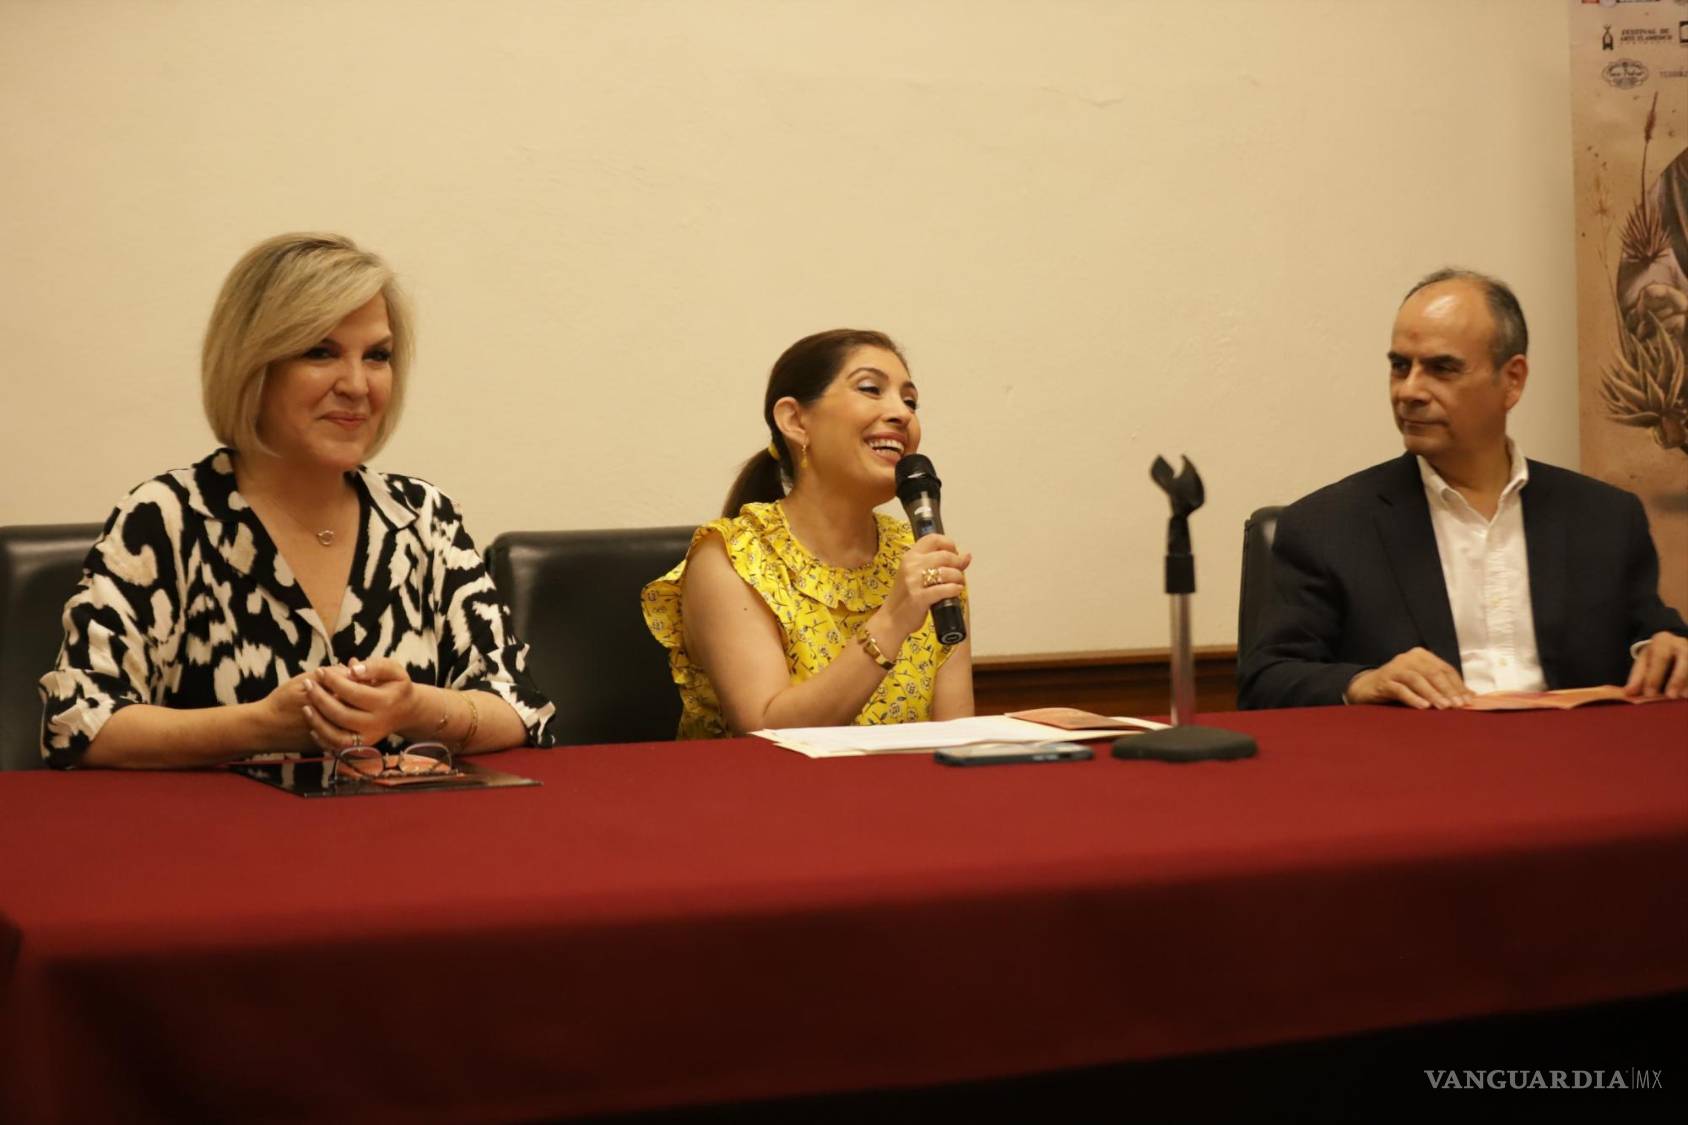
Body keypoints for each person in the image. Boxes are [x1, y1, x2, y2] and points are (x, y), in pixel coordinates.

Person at [40, 233, 555, 768]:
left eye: (377, 356)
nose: (358, 385)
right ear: (252, 366)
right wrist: (260, 725)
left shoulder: (423, 517)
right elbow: (81, 722)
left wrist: (412, 707)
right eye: (320, 352)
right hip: (217, 843)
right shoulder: (166, 518)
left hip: (404, 838)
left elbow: (520, 708)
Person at [1239, 268, 1688, 710]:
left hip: (1574, 764)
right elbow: (1267, 680)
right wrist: (1363, 681)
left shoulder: (1604, 516)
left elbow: (1651, 633)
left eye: (1442, 369)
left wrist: (1663, 649)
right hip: (1421, 769)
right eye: (1400, 366)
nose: (1410, 391)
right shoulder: (1327, 526)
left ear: (1511, 380)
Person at [642, 329, 974, 738]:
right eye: (871, 389)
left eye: (910, 401)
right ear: (796, 421)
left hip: (905, 796)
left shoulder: (921, 556)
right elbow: (764, 730)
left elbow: (958, 740)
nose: (902, 414)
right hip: (766, 797)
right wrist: (891, 622)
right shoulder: (732, 557)